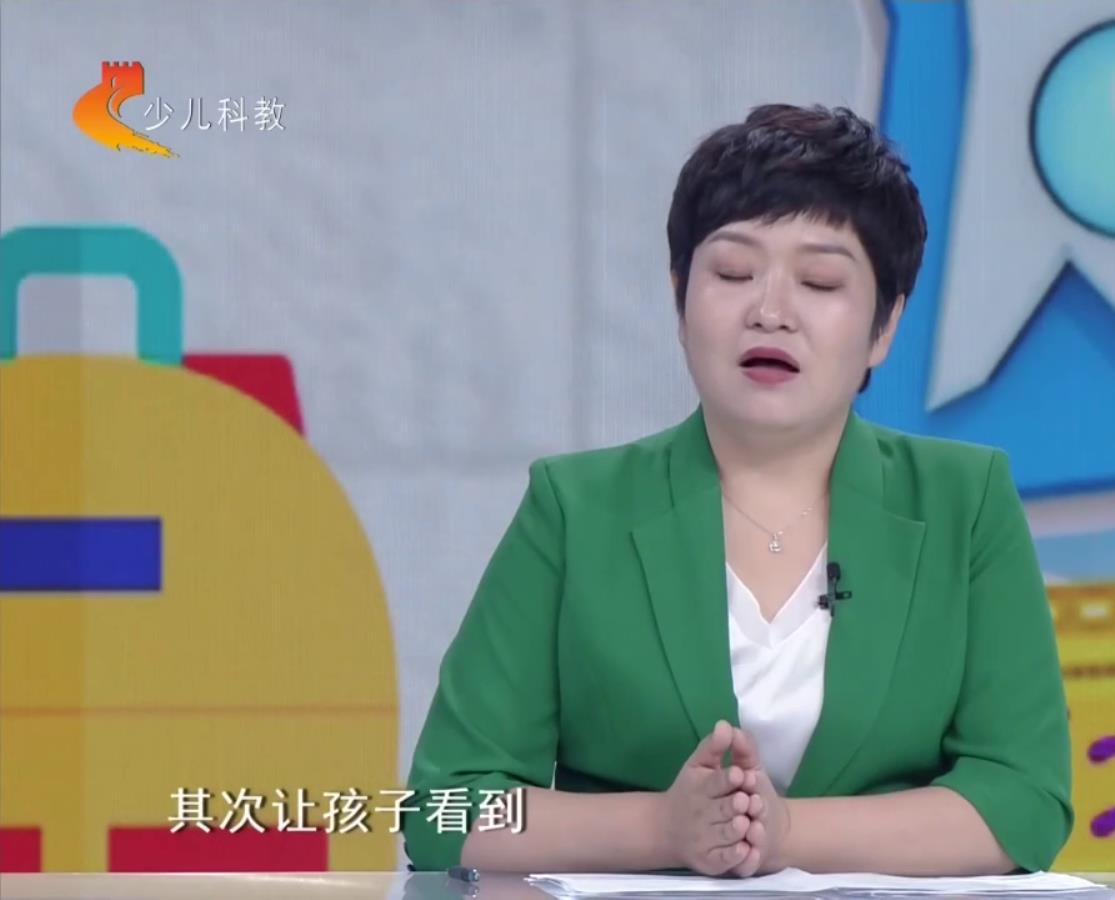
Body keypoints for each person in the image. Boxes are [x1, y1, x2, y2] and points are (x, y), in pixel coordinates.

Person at [403, 103, 1072, 877]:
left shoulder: (965, 502)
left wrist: (786, 834)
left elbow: (1024, 800)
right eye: (731, 273)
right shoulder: (574, 510)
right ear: (680, 298)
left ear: (884, 327)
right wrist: (662, 828)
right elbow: (444, 807)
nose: (770, 312)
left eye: (820, 281)